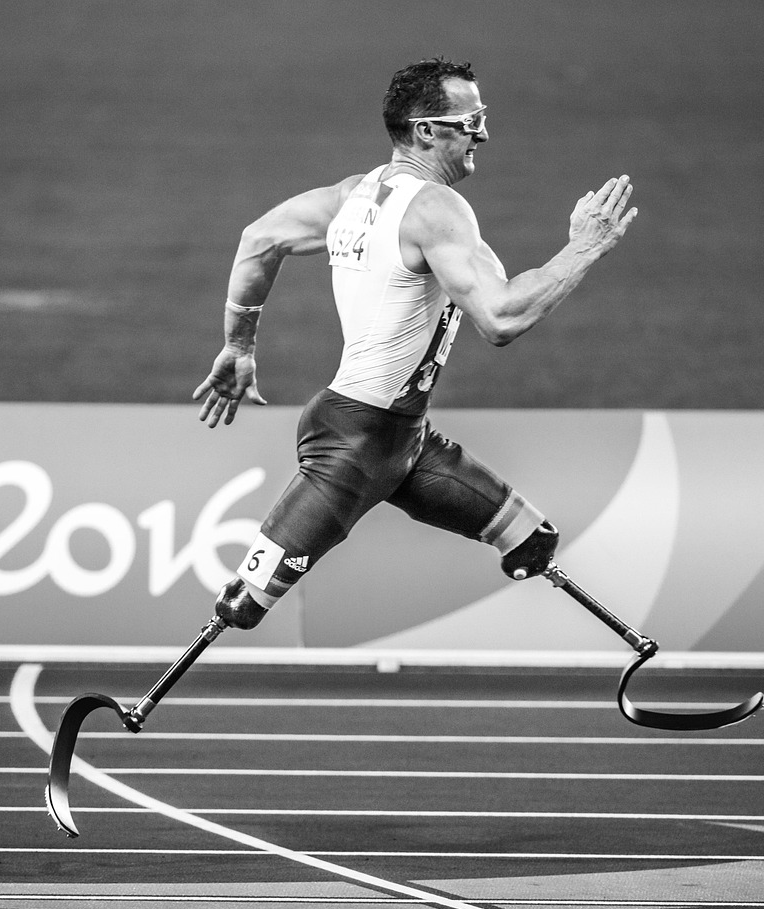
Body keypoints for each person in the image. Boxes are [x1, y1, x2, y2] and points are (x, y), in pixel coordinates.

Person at [192, 58, 637, 632]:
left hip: (403, 440)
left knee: (531, 541)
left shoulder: (356, 194)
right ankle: (138, 708)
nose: (483, 132)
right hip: (354, 444)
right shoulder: (435, 208)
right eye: (471, 119)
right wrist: (584, 247)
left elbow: (261, 239)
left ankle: (636, 648)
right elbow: (501, 319)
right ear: (426, 130)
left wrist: (238, 345)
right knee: (245, 603)